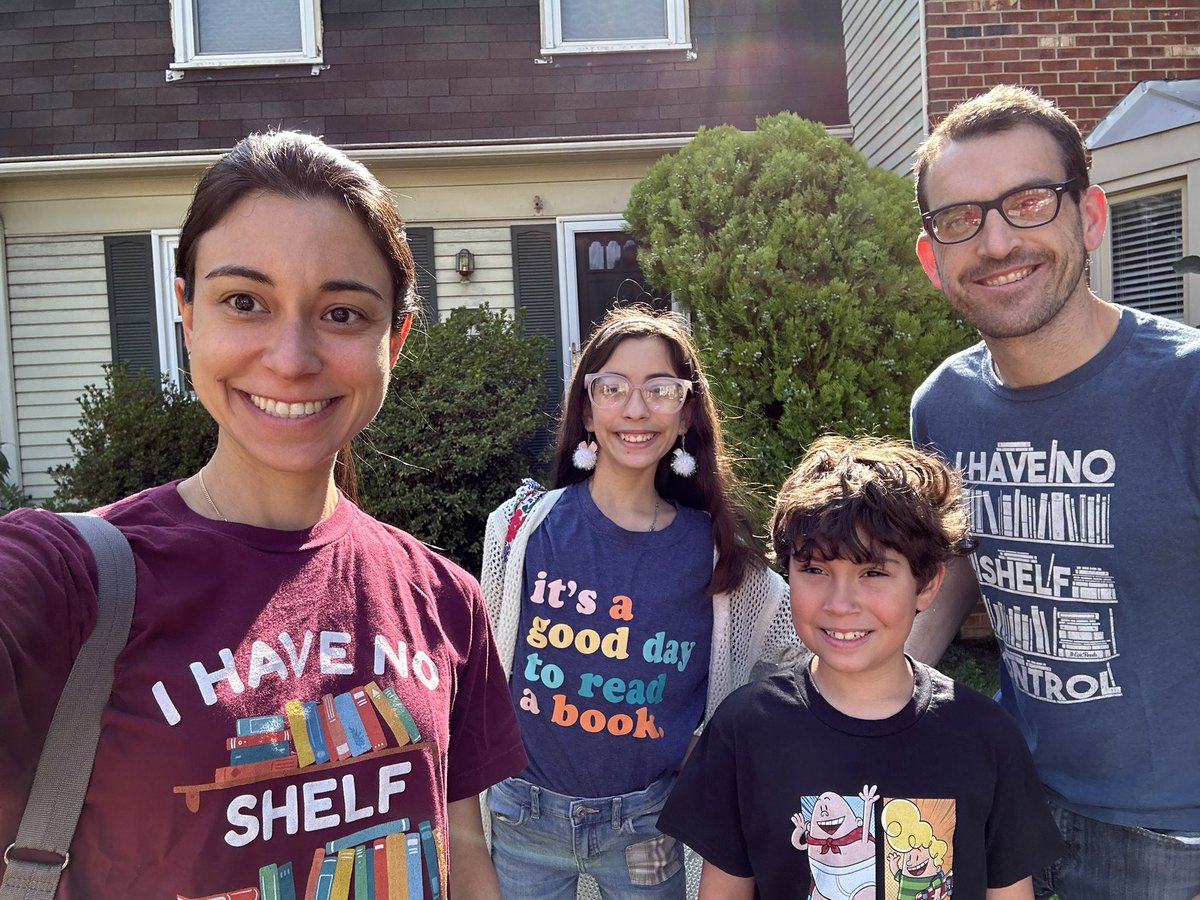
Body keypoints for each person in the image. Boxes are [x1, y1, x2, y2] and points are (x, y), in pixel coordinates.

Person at [0, 131, 527, 899]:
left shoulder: (444, 598)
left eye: (343, 313)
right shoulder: (69, 580)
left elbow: (465, 854)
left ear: (396, 338)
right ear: (186, 311)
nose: (291, 357)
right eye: (244, 302)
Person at [907, 84, 1200, 898]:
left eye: (1029, 201)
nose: (997, 240)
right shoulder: (944, 404)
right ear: (935, 260)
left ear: (1090, 217)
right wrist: (880, 687)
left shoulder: (1188, 388)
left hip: (1174, 836)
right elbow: (962, 552)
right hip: (1018, 800)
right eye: (960, 218)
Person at [479, 306, 799, 899]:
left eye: (660, 390)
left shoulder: (717, 555)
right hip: (521, 818)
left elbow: (802, 653)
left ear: (685, 415)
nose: (635, 408)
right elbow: (486, 665)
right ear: (586, 407)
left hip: (648, 828)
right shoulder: (522, 530)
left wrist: (721, 743)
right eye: (613, 388)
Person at [658, 435, 1065, 900]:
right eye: (814, 569)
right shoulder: (745, 728)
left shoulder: (986, 736)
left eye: (873, 573)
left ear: (927, 584)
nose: (840, 604)